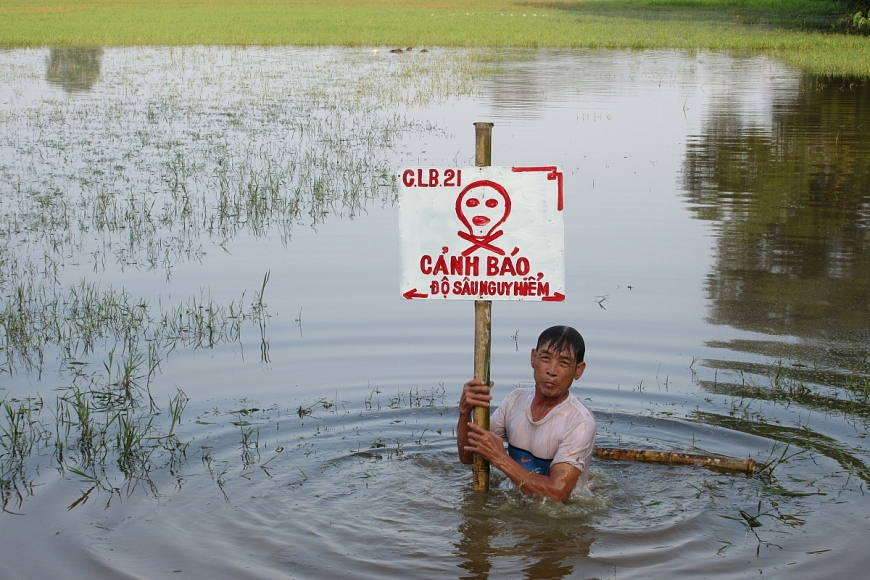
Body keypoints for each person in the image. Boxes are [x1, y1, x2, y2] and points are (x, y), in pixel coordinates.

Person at [457, 325, 596, 503]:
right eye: (545, 358)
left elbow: (557, 494)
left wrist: (500, 458)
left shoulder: (580, 422)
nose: (551, 371)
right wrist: (464, 412)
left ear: (579, 370)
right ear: (533, 358)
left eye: (564, 363)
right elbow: (468, 457)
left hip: (557, 517)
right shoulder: (515, 400)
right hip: (512, 501)